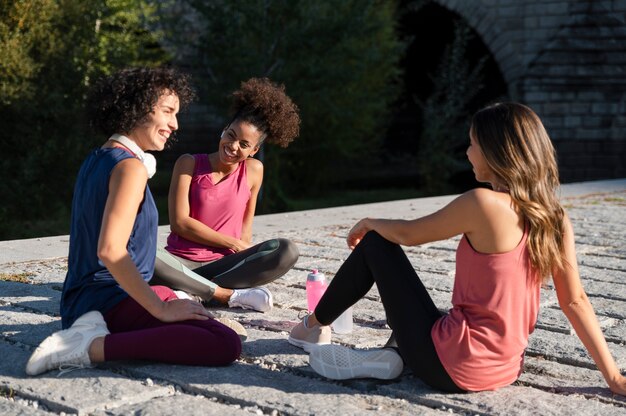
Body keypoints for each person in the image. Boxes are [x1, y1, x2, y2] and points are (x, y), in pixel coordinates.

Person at [288, 102, 626, 395]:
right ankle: (393, 354)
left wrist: (371, 222)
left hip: (451, 366)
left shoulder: (482, 203)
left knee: (377, 244)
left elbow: (410, 233)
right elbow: (574, 301)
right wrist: (612, 376)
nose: (468, 152)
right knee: (438, 318)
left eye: (473, 143)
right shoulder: (555, 217)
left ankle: (312, 327)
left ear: (498, 153)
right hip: (504, 369)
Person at [26, 67, 243, 376]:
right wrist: (161, 309)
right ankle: (86, 348)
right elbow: (110, 251)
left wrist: (165, 300)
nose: (174, 124)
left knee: (187, 308)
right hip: (105, 300)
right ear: (139, 107)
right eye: (168, 111)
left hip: (87, 298)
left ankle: (102, 328)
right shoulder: (131, 169)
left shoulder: (99, 156)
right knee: (224, 342)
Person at [151, 77, 301, 313]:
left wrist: (242, 249)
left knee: (286, 250)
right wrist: (233, 243)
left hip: (225, 266)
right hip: (179, 261)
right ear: (224, 130)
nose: (233, 146)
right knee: (142, 249)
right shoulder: (188, 163)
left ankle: (191, 290)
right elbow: (180, 223)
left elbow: (245, 225)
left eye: (244, 144)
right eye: (230, 135)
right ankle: (220, 293)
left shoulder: (254, 170)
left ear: (255, 150)